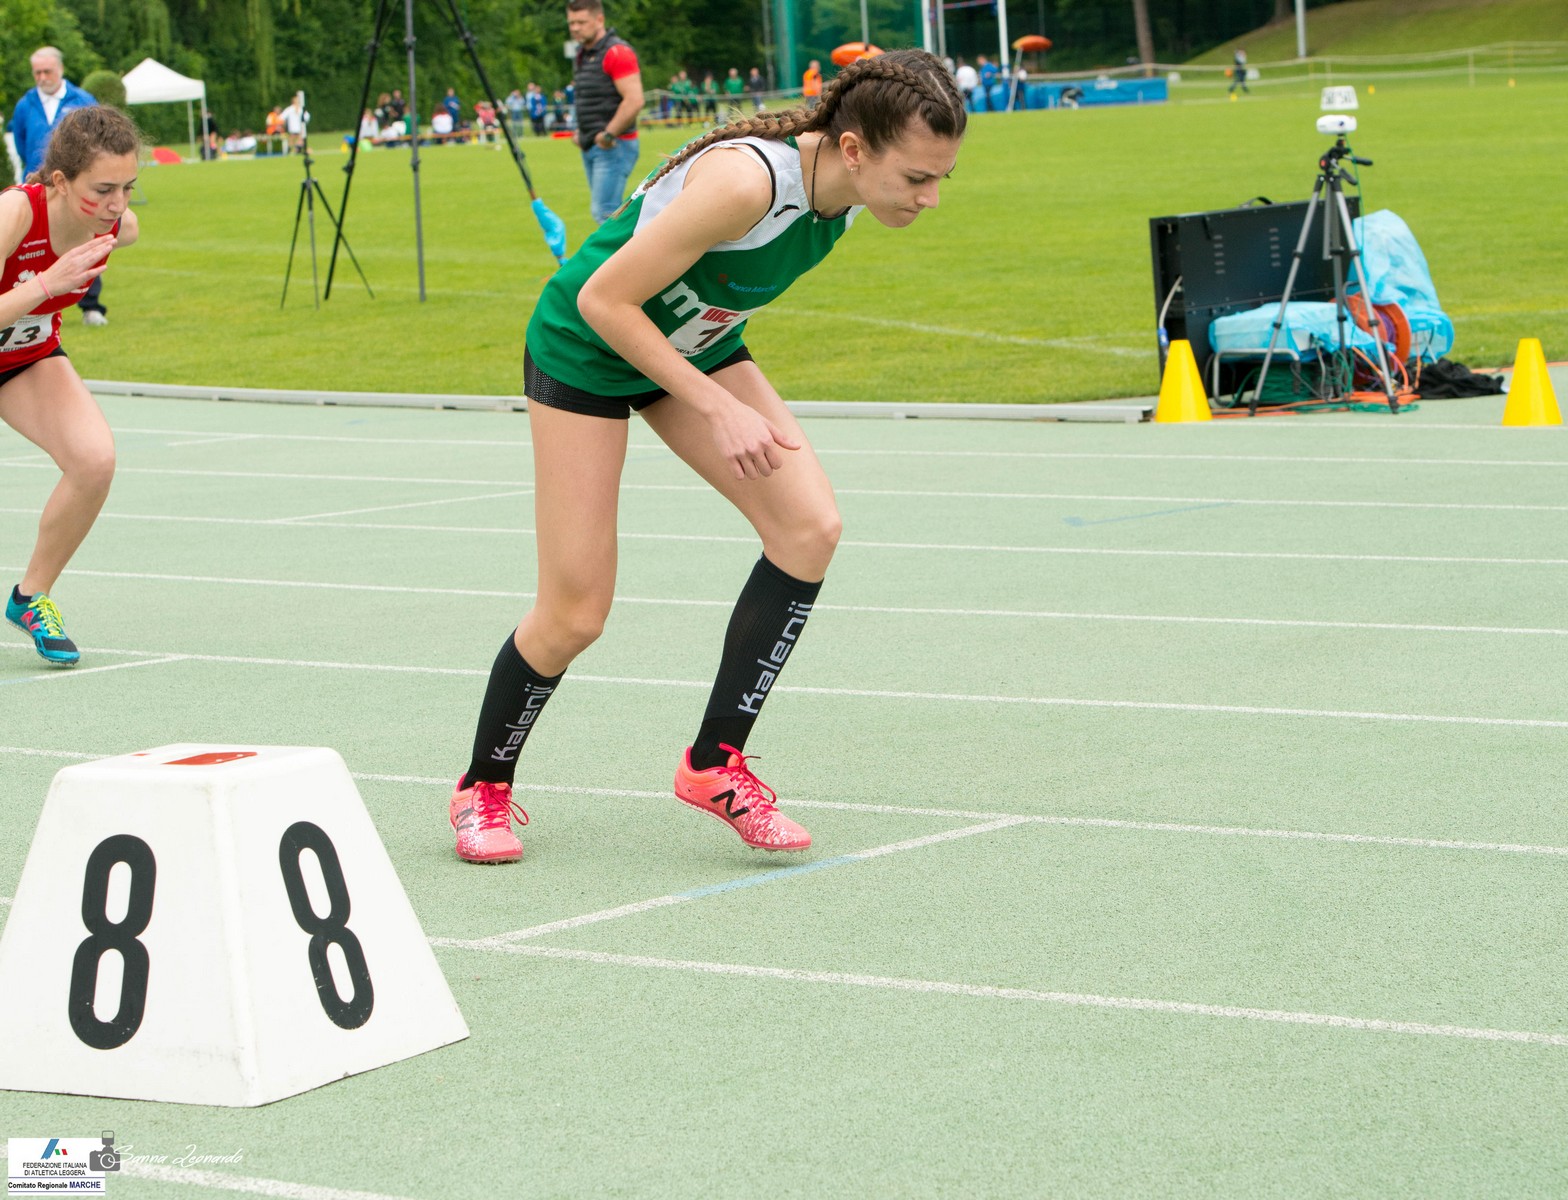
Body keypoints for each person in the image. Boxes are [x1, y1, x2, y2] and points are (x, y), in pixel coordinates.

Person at [445, 49, 966, 864]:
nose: (930, 199)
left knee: (809, 528)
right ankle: (483, 784)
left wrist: (713, 387)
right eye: (917, 178)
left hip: (695, 345)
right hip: (586, 349)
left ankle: (714, 764)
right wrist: (717, 406)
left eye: (942, 179)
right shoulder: (745, 185)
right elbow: (603, 299)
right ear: (855, 148)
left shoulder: (849, 195)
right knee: (576, 613)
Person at [2, 106, 141, 668]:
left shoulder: (116, 225)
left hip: (22, 359)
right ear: (60, 181)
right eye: (103, 190)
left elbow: (128, 228)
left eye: (128, 188)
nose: (117, 205)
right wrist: (46, 284)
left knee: (94, 460)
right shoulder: (15, 213)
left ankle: (30, 597)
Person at [10, 48, 109, 328]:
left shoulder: (82, 100)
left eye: (47, 71)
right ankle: (32, 310)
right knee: (32, 249)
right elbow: (21, 143)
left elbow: (98, 143)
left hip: (76, 188)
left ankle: (91, 306)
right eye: (37, 72)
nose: (42, 77)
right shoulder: (25, 105)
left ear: (60, 69)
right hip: (37, 189)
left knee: (86, 245)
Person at [568, 0, 644, 225]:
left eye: (581, 22)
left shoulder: (617, 52)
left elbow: (634, 100)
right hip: (593, 144)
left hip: (613, 145)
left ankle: (643, 248)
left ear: (599, 19)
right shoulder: (583, 53)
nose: (575, 28)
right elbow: (591, 97)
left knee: (606, 214)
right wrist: (582, 132)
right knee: (606, 213)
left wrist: (608, 135)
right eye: (571, 23)